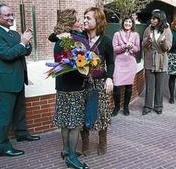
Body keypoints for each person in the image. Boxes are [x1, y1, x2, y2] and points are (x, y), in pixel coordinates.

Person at [0, 4, 40, 157]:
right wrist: (22, 42)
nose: (11, 17)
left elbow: (24, 52)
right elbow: (8, 54)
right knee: (4, 116)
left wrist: (27, 43)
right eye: (7, 15)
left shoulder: (14, 34)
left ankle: (21, 134)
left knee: (19, 111)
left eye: (12, 14)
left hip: (18, 79)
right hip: (3, 83)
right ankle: (2, 147)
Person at [50, 9, 89, 169]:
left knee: (65, 122)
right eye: (78, 20)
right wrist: (88, 64)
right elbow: (75, 65)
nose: (80, 23)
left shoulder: (60, 40)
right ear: (70, 23)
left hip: (62, 87)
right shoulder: (68, 41)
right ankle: (72, 157)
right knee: (75, 124)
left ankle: (66, 150)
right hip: (73, 88)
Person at [80, 7, 114, 156]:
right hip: (82, 83)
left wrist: (109, 78)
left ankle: (102, 142)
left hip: (100, 83)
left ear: (98, 21)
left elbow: (111, 63)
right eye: (84, 17)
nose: (85, 20)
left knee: (102, 112)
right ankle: (85, 144)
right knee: (83, 113)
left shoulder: (106, 41)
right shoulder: (79, 38)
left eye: (89, 18)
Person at [142, 9, 172, 115]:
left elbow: (168, 48)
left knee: (159, 85)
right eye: (152, 18)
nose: (152, 20)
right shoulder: (148, 29)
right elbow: (143, 45)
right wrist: (148, 41)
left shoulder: (167, 30)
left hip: (161, 60)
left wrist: (163, 42)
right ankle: (147, 106)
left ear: (160, 19)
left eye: (154, 18)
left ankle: (158, 106)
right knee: (149, 85)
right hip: (149, 60)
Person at [112, 16, 140, 116]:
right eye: (126, 21)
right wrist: (124, 46)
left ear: (132, 24)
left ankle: (126, 107)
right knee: (117, 87)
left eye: (130, 22)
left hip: (130, 62)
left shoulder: (135, 34)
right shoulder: (117, 34)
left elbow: (137, 49)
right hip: (120, 62)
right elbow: (115, 49)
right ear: (123, 23)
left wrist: (131, 46)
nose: (128, 23)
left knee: (129, 86)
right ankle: (116, 107)